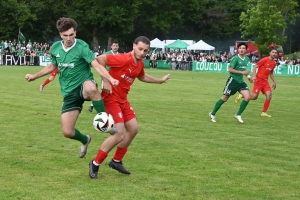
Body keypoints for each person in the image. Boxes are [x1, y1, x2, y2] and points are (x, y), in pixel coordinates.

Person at [25, 17, 119, 158]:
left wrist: (109, 78)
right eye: (65, 35)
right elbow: (52, 66)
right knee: (67, 132)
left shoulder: (82, 46)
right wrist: (34, 76)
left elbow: (96, 65)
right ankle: (85, 140)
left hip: (84, 84)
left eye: (71, 34)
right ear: (60, 34)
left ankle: (106, 121)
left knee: (91, 88)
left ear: (75, 33)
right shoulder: (55, 48)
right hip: (69, 92)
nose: (69, 38)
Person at [88, 36, 170, 179]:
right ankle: (95, 163)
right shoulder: (123, 59)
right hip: (111, 98)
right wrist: (106, 80)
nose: (142, 53)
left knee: (133, 129)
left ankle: (116, 161)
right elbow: (99, 60)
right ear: (133, 46)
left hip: (123, 100)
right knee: (119, 134)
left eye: (145, 50)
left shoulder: (139, 64)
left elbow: (142, 77)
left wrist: (160, 81)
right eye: (140, 49)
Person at [209, 42, 252, 123]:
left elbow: (244, 71)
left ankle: (238, 114)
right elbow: (230, 69)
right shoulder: (235, 58)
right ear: (238, 49)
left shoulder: (246, 59)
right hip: (233, 81)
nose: (241, 49)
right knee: (225, 98)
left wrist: (249, 77)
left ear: (246, 50)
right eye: (240, 48)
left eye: (243, 48)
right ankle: (212, 113)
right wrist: (242, 73)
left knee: (248, 97)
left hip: (241, 82)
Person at [235, 48, 278, 117]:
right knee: (254, 97)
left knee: (269, 95)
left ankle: (264, 112)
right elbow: (255, 67)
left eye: (275, 53)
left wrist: (274, 81)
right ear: (270, 53)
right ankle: (242, 95)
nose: (274, 54)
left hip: (265, 81)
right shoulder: (265, 60)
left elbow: (271, 73)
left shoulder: (274, 63)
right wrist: (254, 76)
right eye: (273, 52)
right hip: (258, 80)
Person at [88, 40, 120, 113]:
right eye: (114, 45)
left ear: (118, 47)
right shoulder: (106, 54)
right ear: (111, 46)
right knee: (105, 92)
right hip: (107, 76)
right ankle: (93, 105)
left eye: (116, 45)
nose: (115, 47)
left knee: (114, 92)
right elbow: (100, 64)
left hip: (116, 77)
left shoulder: (120, 55)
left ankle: (114, 106)